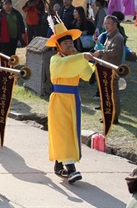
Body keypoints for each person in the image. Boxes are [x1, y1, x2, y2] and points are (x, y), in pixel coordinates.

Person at [45, 20, 94, 184]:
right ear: (58, 46)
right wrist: (81, 57)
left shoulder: (74, 58)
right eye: (65, 43)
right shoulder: (55, 60)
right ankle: (71, 168)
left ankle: (59, 165)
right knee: (63, 132)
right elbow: (64, 66)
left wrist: (87, 59)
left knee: (70, 132)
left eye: (71, 42)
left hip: (73, 99)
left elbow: (88, 75)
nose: (69, 45)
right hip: (59, 99)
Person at [92, 15, 125, 124]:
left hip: (112, 70)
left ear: (115, 24)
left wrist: (101, 52)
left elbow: (115, 52)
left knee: (112, 93)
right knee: (107, 93)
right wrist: (98, 43)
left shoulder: (118, 38)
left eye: (108, 23)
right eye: (105, 23)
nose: (106, 25)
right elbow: (105, 49)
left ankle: (114, 116)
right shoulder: (109, 36)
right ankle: (109, 115)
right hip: (106, 68)